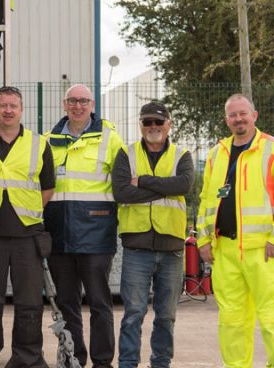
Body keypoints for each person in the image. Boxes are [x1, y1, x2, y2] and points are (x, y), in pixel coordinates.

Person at [197, 93, 274, 368]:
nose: (238, 119)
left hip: (264, 251)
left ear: (254, 116)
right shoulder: (217, 153)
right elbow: (207, 199)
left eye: (243, 113)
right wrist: (203, 239)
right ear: (226, 119)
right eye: (233, 114)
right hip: (225, 252)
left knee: (272, 317)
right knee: (231, 320)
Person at [0, 86, 55, 368]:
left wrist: (22, 212)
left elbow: (47, 189)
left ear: (21, 110)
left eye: (13, 106)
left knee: (29, 303)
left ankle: (26, 360)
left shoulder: (39, 144)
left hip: (27, 236)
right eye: (2, 105)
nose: (7, 110)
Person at [43, 84, 125, 368]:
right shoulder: (47, 140)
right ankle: (72, 359)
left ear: (92, 105)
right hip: (59, 236)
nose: (78, 106)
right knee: (67, 305)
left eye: (83, 101)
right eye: (72, 101)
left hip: (96, 236)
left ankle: (103, 362)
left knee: (100, 304)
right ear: (64, 104)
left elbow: (124, 184)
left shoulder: (111, 139)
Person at [112, 101, 195, 368]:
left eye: (158, 122)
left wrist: (145, 181)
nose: (153, 127)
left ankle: (161, 363)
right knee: (133, 312)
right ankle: (128, 363)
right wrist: (166, 188)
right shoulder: (126, 153)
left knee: (166, 316)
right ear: (141, 125)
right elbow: (122, 192)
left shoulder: (182, 155)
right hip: (137, 247)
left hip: (172, 248)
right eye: (147, 122)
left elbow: (184, 185)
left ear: (168, 124)